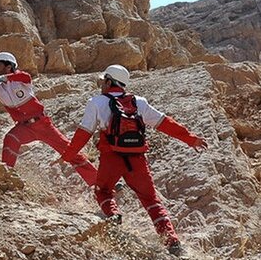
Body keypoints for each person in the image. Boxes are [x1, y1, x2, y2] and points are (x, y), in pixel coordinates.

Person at [59, 64, 209, 256]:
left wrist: (68, 155)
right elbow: (165, 123)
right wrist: (190, 139)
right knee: (151, 200)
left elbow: (83, 133)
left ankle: (113, 216)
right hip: (137, 159)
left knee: (103, 190)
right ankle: (172, 242)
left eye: (103, 81)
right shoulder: (139, 102)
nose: (101, 85)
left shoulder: (96, 102)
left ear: (108, 81)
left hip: (111, 157)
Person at [0, 52, 97, 186]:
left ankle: (98, 182)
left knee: (69, 152)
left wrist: (3, 78)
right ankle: (6, 177)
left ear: (8, 66)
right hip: (24, 127)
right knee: (11, 138)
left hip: (43, 124)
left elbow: (25, 76)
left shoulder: (21, 79)